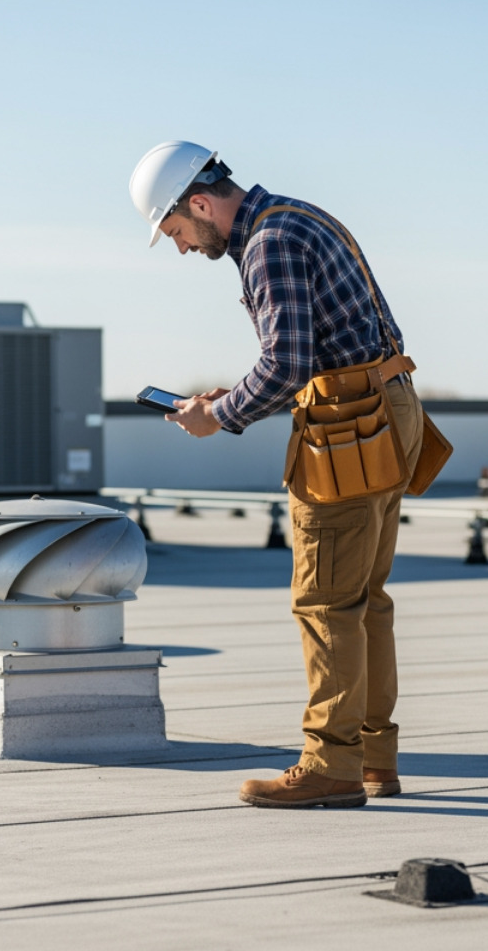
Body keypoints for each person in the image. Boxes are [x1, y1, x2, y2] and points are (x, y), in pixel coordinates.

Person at [128, 141, 425, 808]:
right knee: (365, 602)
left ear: (199, 203)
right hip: (388, 410)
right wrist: (223, 398)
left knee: (324, 605)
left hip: (347, 427)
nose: (180, 247)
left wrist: (220, 417)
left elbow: (288, 367)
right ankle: (374, 759)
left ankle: (330, 766)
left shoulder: (268, 244)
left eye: (175, 231)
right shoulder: (301, 217)